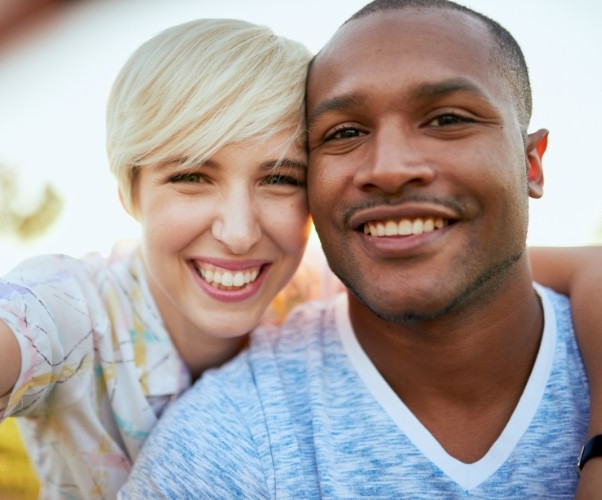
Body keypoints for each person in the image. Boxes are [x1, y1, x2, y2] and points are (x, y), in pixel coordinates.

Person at [0, 13, 599, 500]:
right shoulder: (71, 312)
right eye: (190, 175)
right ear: (130, 191)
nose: (236, 231)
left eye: (280, 179)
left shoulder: (316, 286)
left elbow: (561, 267)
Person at [118, 2, 601, 498]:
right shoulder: (224, 446)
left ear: (532, 165)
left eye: (446, 119)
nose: (389, 169)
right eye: (345, 133)